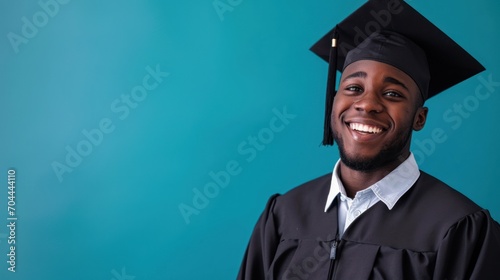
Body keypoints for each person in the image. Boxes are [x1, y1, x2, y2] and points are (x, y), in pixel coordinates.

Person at [237, 0, 500, 279]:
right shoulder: (283, 216)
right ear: (333, 101)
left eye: (393, 94)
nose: (366, 104)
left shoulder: (459, 228)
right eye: (353, 88)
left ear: (419, 118)